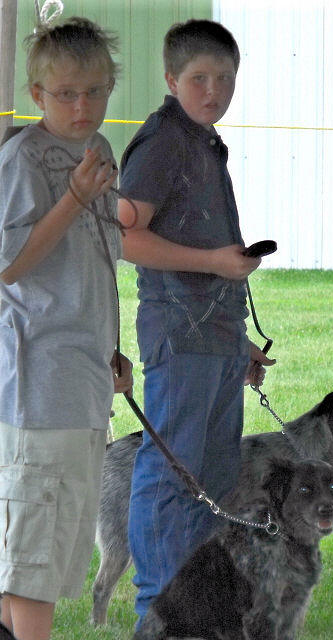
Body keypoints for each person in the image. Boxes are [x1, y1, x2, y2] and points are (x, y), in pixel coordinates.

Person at [118, 18, 276, 623]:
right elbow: (124, 237)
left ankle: (197, 613)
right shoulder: (163, 142)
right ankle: (159, 615)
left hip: (215, 337)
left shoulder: (203, 140)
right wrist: (215, 262)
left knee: (209, 479)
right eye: (200, 78)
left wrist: (239, 340)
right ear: (170, 79)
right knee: (171, 475)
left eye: (225, 79)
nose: (214, 91)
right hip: (178, 335)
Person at [0, 17, 133, 640]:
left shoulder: (97, 149)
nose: (83, 107)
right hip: (40, 387)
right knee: (35, 560)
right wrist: (74, 197)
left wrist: (111, 348)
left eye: (95, 91)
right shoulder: (23, 158)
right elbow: (9, 265)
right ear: (38, 95)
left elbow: (96, 260)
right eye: (66, 94)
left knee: (54, 547)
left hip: (83, 380)